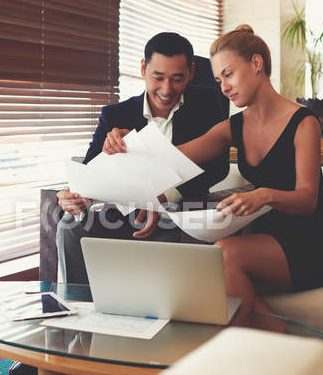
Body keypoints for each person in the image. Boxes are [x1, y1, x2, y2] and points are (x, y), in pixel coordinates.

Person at [103, 24, 323, 316]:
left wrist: (264, 195)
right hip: (268, 240)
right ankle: (285, 342)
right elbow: (168, 158)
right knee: (208, 281)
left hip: (321, 242)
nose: (223, 87)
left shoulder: (304, 122)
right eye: (217, 79)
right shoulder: (231, 128)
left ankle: (277, 344)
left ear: (257, 64)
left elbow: (307, 199)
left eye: (228, 74)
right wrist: (126, 140)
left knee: (223, 255)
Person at [56, 32, 230, 284]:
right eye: (157, 77)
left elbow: (218, 168)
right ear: (142, 68)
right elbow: (89, 174)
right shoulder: (116, 114)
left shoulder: (208, 104)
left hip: (177, 214)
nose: (167, 89)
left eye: (177, 79)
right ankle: (80, 306)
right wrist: (74, 196)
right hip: (121, 214)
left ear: (191, 72)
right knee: (69, 226)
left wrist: (163, 197)